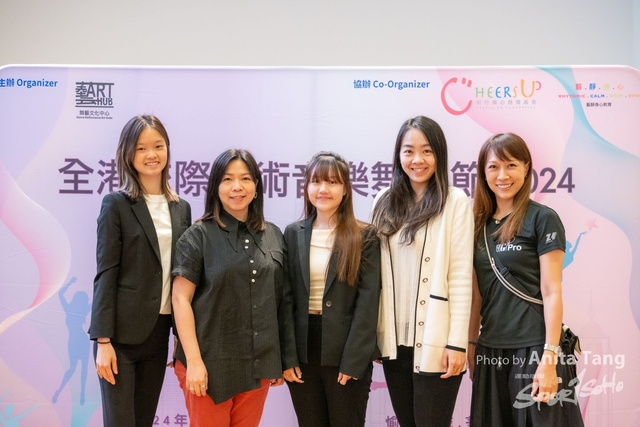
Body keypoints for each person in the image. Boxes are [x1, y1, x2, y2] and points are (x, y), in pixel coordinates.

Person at [468, 133, 584, 427]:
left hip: (535, 347)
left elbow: (552, 290)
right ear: (483, 173)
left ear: (526, 168)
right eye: (493, 167)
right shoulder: (477, 224)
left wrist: (550, 356)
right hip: (490, 350)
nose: (502, 175)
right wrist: (470, 345)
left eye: (511, 165)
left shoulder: (542, 218)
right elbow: (476, 296)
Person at [89, 115, 192, 427]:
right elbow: (106, 273)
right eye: (141, 148)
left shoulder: (181, 208)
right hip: (119, 338)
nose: (151, 155)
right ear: (128, 154)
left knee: (144, 421)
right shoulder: (116, 204)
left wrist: (181, 336)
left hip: (158, 334)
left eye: (158, 146)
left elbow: (182, 276)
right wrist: (103, 341)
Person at [172, 149, 285, 427]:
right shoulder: (197, 236)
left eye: (245, 178)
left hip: (257, 365)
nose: (237, 187)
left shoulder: (273, 234)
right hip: (208, 364)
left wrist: (276, 359)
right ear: (215, 187)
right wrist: (194, 362)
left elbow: (280, 300)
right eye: (227, 179)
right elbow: (180, 299)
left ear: (256, 186)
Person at [372, 116, 473, 427]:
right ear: (398, 155)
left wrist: (457, 343)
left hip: (438, 342)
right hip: (393, 345)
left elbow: (460, 277)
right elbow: (375, 276)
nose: (417, 159)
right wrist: (375, 337)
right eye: (409, 151)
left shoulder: (454, 201)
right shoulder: (383, 201)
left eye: (427, 151)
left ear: (439, 154)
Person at [281, 151, 381, 427]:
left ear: (346, 189)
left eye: (333, 182)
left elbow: (368, 303)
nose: (323, 189)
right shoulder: (292, 233)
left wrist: (354, 361)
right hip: (303, 351)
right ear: (307, 187)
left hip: (346, 350)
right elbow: (286, 300)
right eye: (316, 181)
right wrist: (288, 357)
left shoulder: (364, 235)